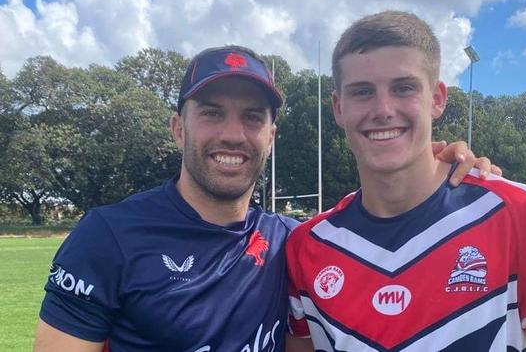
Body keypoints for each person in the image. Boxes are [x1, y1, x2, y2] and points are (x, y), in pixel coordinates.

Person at [33, 45, 494, 352]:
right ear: (179, 129)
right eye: (212, 114)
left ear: (271, 136)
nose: (233, 134)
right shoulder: (108, 235)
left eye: (252, 117)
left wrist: (433, 164)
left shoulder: (297, 245)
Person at [285, 11, 526, 352]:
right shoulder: (308, 246)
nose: (383, 109)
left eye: (404, 88)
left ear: (437, 98)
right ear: (338, 107)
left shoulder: (516, 211)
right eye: (362, 92)